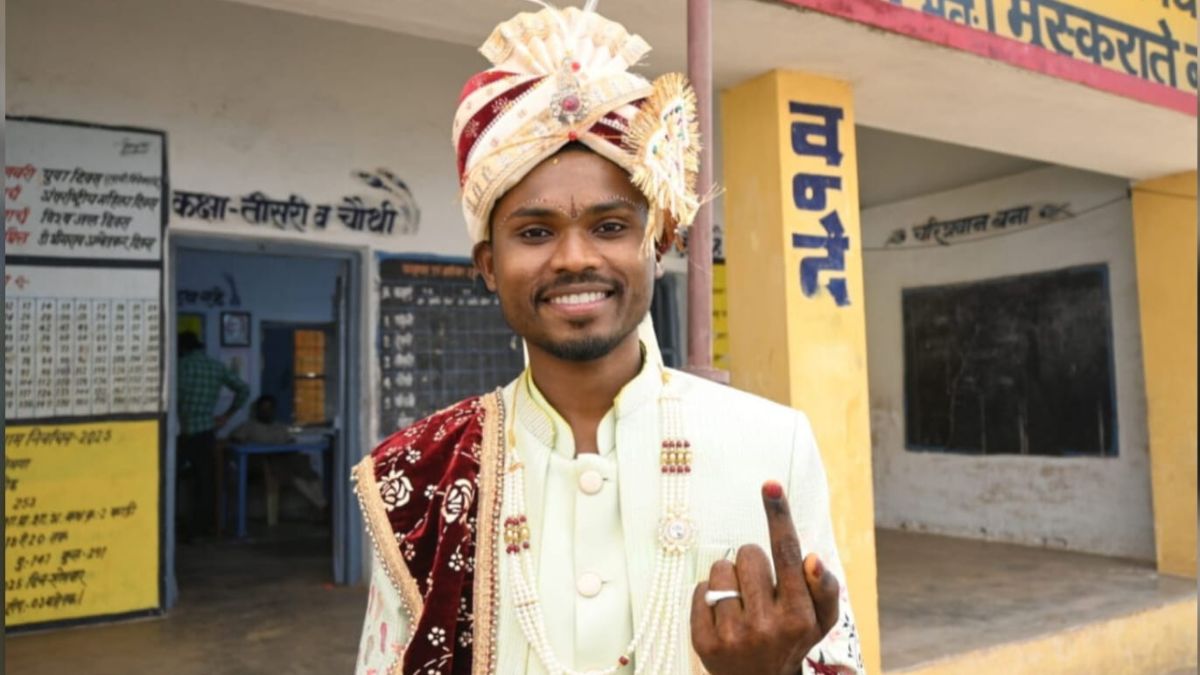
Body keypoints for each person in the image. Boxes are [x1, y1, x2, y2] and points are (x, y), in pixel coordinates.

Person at [353, 4, 864, 674]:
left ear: (661, 243)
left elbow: (837, 656)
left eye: (610, 226)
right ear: (487, 265)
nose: (573, 258)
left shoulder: (774, 445)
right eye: (534, 232)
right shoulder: (416, 476)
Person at [177, 330, 249, 540]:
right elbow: (243, 389)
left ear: (181, 349)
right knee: (205, 482)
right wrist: (226, 415)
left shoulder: (178, 367)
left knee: (170, 480)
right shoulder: (215, 367)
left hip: (179, 432)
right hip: (205, 431)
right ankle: (199, 529)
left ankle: (170, 526)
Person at [230, 395, 327, 512]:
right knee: (289, 473)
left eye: (270, 408)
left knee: (304, 467)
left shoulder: (280, 428)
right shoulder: (249, 426)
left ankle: (322, 504)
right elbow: (236, 440)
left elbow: (291, 444)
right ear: (258, 410)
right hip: (264, 464)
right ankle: (322, 506)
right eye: (263, 408)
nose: (266, 412)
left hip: (285, 459)